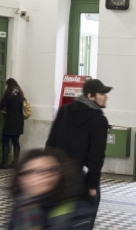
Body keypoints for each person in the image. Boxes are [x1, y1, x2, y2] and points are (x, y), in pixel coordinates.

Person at [46, 77, 110, 218]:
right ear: (90, 96)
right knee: (82, 224)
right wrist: (92, 185)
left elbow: (51, 144)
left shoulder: (64, 111)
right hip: (83, 179)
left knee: (60, 220)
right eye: (102, 94)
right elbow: (96, 155)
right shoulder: (99, 119)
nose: (106, 97)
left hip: (61, 177)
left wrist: (49, 173)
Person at [0, 78, 25, 168]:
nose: (6, 87)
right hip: (19, 121)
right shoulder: (20, 94)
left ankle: (4, 163)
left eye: (7, 85)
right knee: (15, 141)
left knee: (5, 140)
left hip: (11, 121)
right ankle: (15, 163)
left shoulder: (9, 94)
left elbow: (1, 105)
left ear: (9, 85)